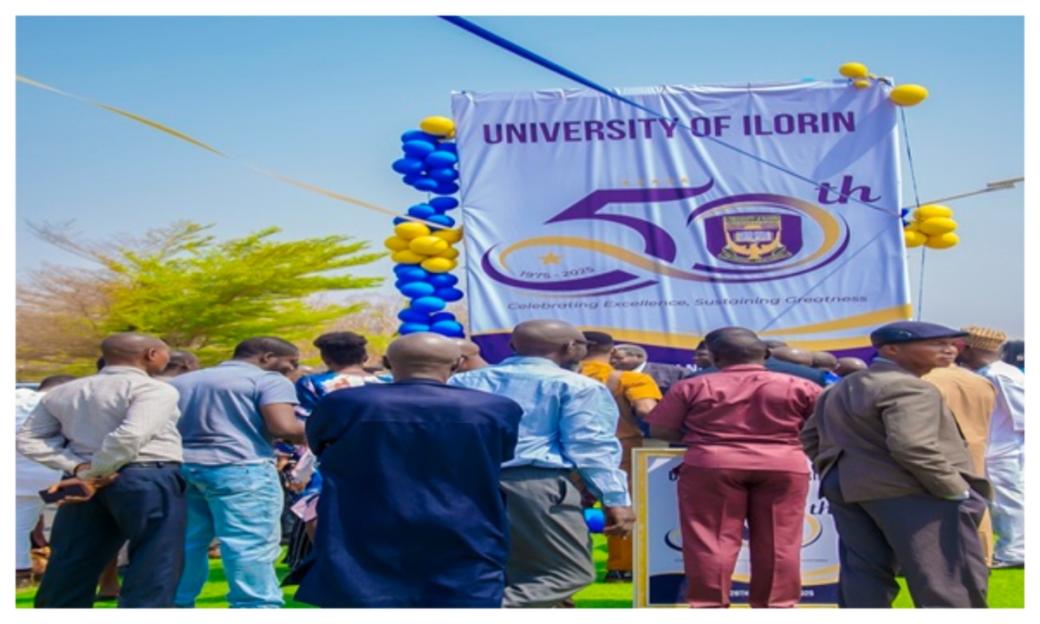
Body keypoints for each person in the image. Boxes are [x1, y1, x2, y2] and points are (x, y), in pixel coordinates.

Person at [294, 333, 523, 607]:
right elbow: (502, 455)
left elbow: (319, 446)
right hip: (466, 523)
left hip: (364, 525)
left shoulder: (344, 404)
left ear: (388, 362)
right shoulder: (497, 408)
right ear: (458, 363)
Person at [801, 321, 991, 608]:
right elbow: (912, 446)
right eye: (938, 344)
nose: (950, 349)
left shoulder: (838, 388)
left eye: (952, 344)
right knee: (945, 579)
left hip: (848, 491)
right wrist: (954, 489)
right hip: (913, 492)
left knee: (864, 576)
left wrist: (837, 470)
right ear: (892, 349)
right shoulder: (910, 388)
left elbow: (810, 436)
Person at [450, 320, 636, 607]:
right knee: (569, 573)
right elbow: (590, 445)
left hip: (467, 486)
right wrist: (614, 498)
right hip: (535, 486)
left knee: (505, 572)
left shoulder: (463, 382)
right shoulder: (576, 385)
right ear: (571, 347)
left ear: (513, 346)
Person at [646, 328, 821, 608]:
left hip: (712, 462)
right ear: (765, 354)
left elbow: (662, 428)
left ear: (714, 357)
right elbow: (822, 427)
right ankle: (777, 607)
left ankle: (710, 606)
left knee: (712, 540)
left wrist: (701, 438)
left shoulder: (694, 385)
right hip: (783, 462)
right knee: (780, 541)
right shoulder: (800, 385)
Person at [16, 333, 185, 608]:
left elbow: (29, 439)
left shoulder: (64, 391)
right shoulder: (155, 390)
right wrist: (95, 472)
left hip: (81, 482)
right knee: (155, 559)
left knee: (71, 560)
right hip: (145, 475)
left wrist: (78, 468)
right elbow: (131, 436)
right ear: (151, 353)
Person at [171, 336, 304, 608]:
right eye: (291, 363)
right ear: (267, 357)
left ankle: (178, 605)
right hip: (243, 467)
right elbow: (283, 427)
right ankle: (255, 607)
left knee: (187, 544)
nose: (293, 369)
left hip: (183, 468)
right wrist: (329, 430)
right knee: (248, 546)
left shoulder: (183, 382)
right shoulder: (267, 380)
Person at [580, 332, 662, 582]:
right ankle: (621, 568)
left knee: (569, 508)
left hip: (570, 450)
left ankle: (572, 566)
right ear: (613, 352)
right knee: (621, 507)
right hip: (620, 448)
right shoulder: (632, 379)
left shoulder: (563, 377)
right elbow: (647, 410)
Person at [958, 325, 1025, 568]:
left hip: (1005, 449)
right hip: (994, 447)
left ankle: (1016, 551)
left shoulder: (999, 376)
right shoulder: (989, 372)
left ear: (969, 348)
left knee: (1008, 501)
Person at [923, 361, 997, 564]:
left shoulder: (924, 380)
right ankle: (982, 556)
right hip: (975, 447)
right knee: (978, 502)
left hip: (937, 448)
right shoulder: (979, 381)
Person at [15, 375, 75, 589]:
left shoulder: (15, 400)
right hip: (57, 479)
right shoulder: (64, 406)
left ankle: (20, 574)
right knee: (74, 521)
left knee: (19, 527)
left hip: (17, 480)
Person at [610, 343, 685, 395]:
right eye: (611, 358)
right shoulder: (611, 376)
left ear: (638, 357)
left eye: (618, 358)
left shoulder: (671, 373)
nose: (612, 361)